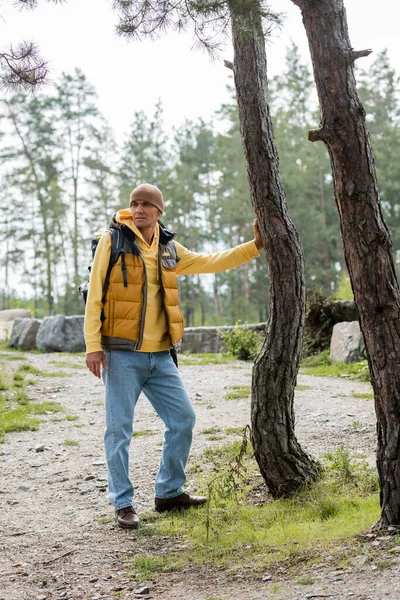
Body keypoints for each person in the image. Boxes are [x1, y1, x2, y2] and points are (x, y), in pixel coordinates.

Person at [84, 183, 263, 529]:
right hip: (120, 355)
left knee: (183, 420)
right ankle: (123, 503)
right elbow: (95, 295)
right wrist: (93, 345)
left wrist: (254, 247)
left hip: (161, 356)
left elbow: (210, 262)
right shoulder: (112, 240)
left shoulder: (168, 248)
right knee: (118, 430)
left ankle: (168, 492)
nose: (138, 209)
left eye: (146, 204)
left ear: (158, 211)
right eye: (134, 203)